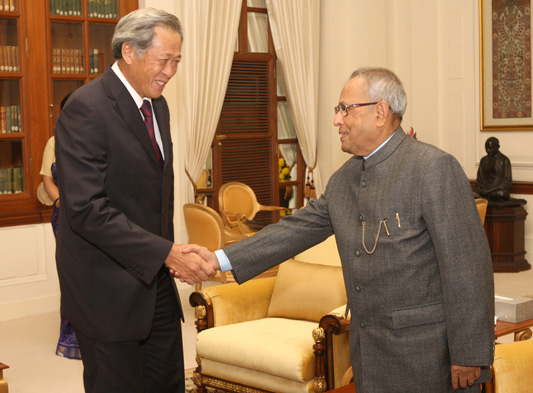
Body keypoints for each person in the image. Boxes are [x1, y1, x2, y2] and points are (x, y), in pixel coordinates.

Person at [183, 67, 495, 392]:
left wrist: (470, 353)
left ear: (380, 112)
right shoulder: (343, 180)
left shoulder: (433, 168)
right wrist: (218, 258)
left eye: (346, 109)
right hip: (368, 352)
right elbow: (293, 230)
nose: (337, 119)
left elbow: (467, 267)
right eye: (338, 110)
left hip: (428, 354)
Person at [54, 8, 215, 393]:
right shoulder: (86, 107)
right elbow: (87, 210)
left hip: (154, 283)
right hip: (106, 290)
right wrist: (166, 252)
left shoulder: (157, 106)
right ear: (129, 51)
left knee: (169, 383)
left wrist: (167, 256)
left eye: (177, 61)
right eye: (164, 60)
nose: (171, 71)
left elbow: (154, 196)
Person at [40, 92, 81, 360]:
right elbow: (47, 179)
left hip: (98, 216)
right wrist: (60, 205)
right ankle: (73, 338)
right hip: (64, 216)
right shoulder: (54, 142)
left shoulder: (99, 136)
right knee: (72, 274)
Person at [474, 137, 512, 201]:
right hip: (484, 188)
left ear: (498, 147)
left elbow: (507, 181)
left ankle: (487, 197)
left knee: (500, 194)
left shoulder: (504, 160)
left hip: (496, 190)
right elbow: (479, 179)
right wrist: (481, 188)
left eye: (491, 148)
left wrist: (489, 191)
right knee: (470, 192)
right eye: (486, 148)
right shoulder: (483, 160)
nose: (488, 150)